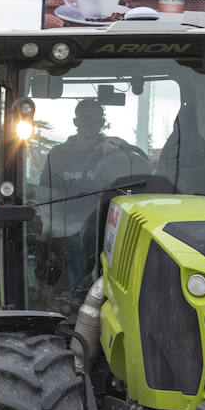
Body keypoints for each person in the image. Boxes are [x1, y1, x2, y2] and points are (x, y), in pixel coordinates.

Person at [38, 98, 148, 295]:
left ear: (102, 122)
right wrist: (48, 222)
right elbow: (45, 196)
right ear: (76, 121)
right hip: (67, 222)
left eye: (96, 118)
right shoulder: (58, 155)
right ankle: (78, 292)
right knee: (76, 239)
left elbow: (131, 179)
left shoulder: (114, 151)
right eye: (85, 117)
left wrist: (122, 145)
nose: (90, 122)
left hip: (103, 219)